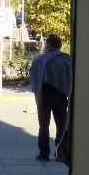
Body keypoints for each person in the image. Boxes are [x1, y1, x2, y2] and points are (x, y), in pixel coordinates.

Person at [29, 33, 72, 161]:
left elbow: (33, 79)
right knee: (61, 126)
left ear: (49, 44)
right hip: (61, 97)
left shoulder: (38, 60)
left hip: (44, 97)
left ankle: (43, 154)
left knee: (43, 126)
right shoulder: (66, 59)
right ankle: (59, 154)